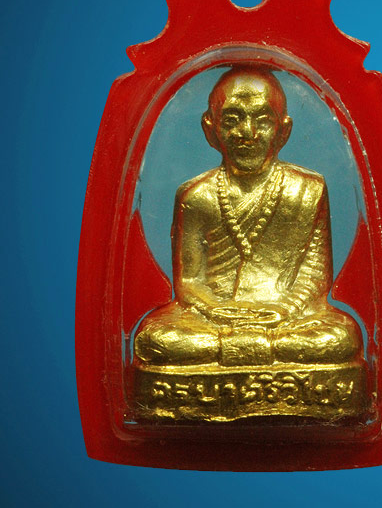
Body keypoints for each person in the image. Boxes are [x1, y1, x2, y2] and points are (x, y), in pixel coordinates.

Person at [134, 65, 362, 369]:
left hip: (286, 318)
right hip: (214, 320)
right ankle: (258, 351)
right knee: (156, 338)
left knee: (340, 337)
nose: (247, 133)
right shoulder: (196, 196)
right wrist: (216, 311)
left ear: (283, 130)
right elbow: (189, 282)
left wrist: (285, 309)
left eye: (262, 121)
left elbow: (315, 276)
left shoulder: (308, 190)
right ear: (210, 129)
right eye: (232, 120)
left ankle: (234, 352)